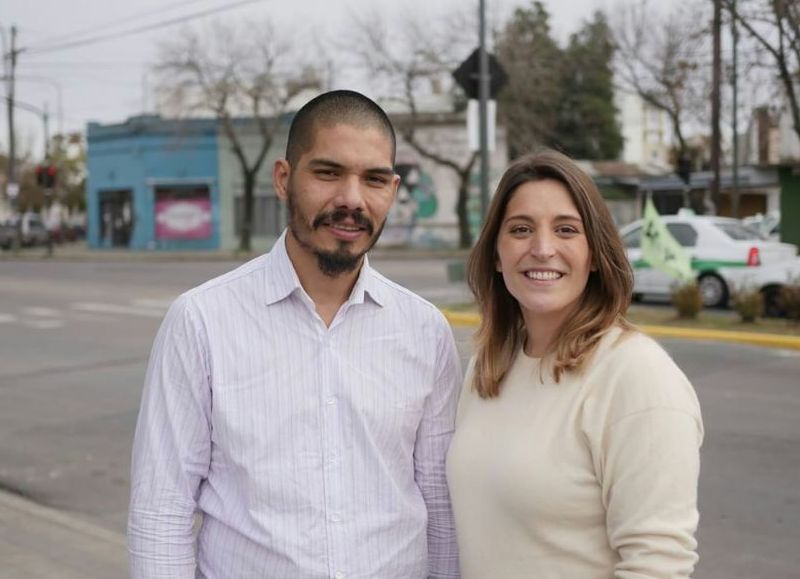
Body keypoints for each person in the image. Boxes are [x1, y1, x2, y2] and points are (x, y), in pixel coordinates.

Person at [128, 90, 461, 578]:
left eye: (372, 180)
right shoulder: (201, 320)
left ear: (391, 190)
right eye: (328, 173)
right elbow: (162, 509)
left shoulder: (425, 330)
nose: (351, 199)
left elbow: (439, 503)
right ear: (284, 179)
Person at [446, 150, 703, 578]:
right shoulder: (488, 367)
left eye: (566, 230)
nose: (542, 249)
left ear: (596, 254)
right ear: (495, 254)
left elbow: (658, 565)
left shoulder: (637, 377)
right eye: (521, 229)